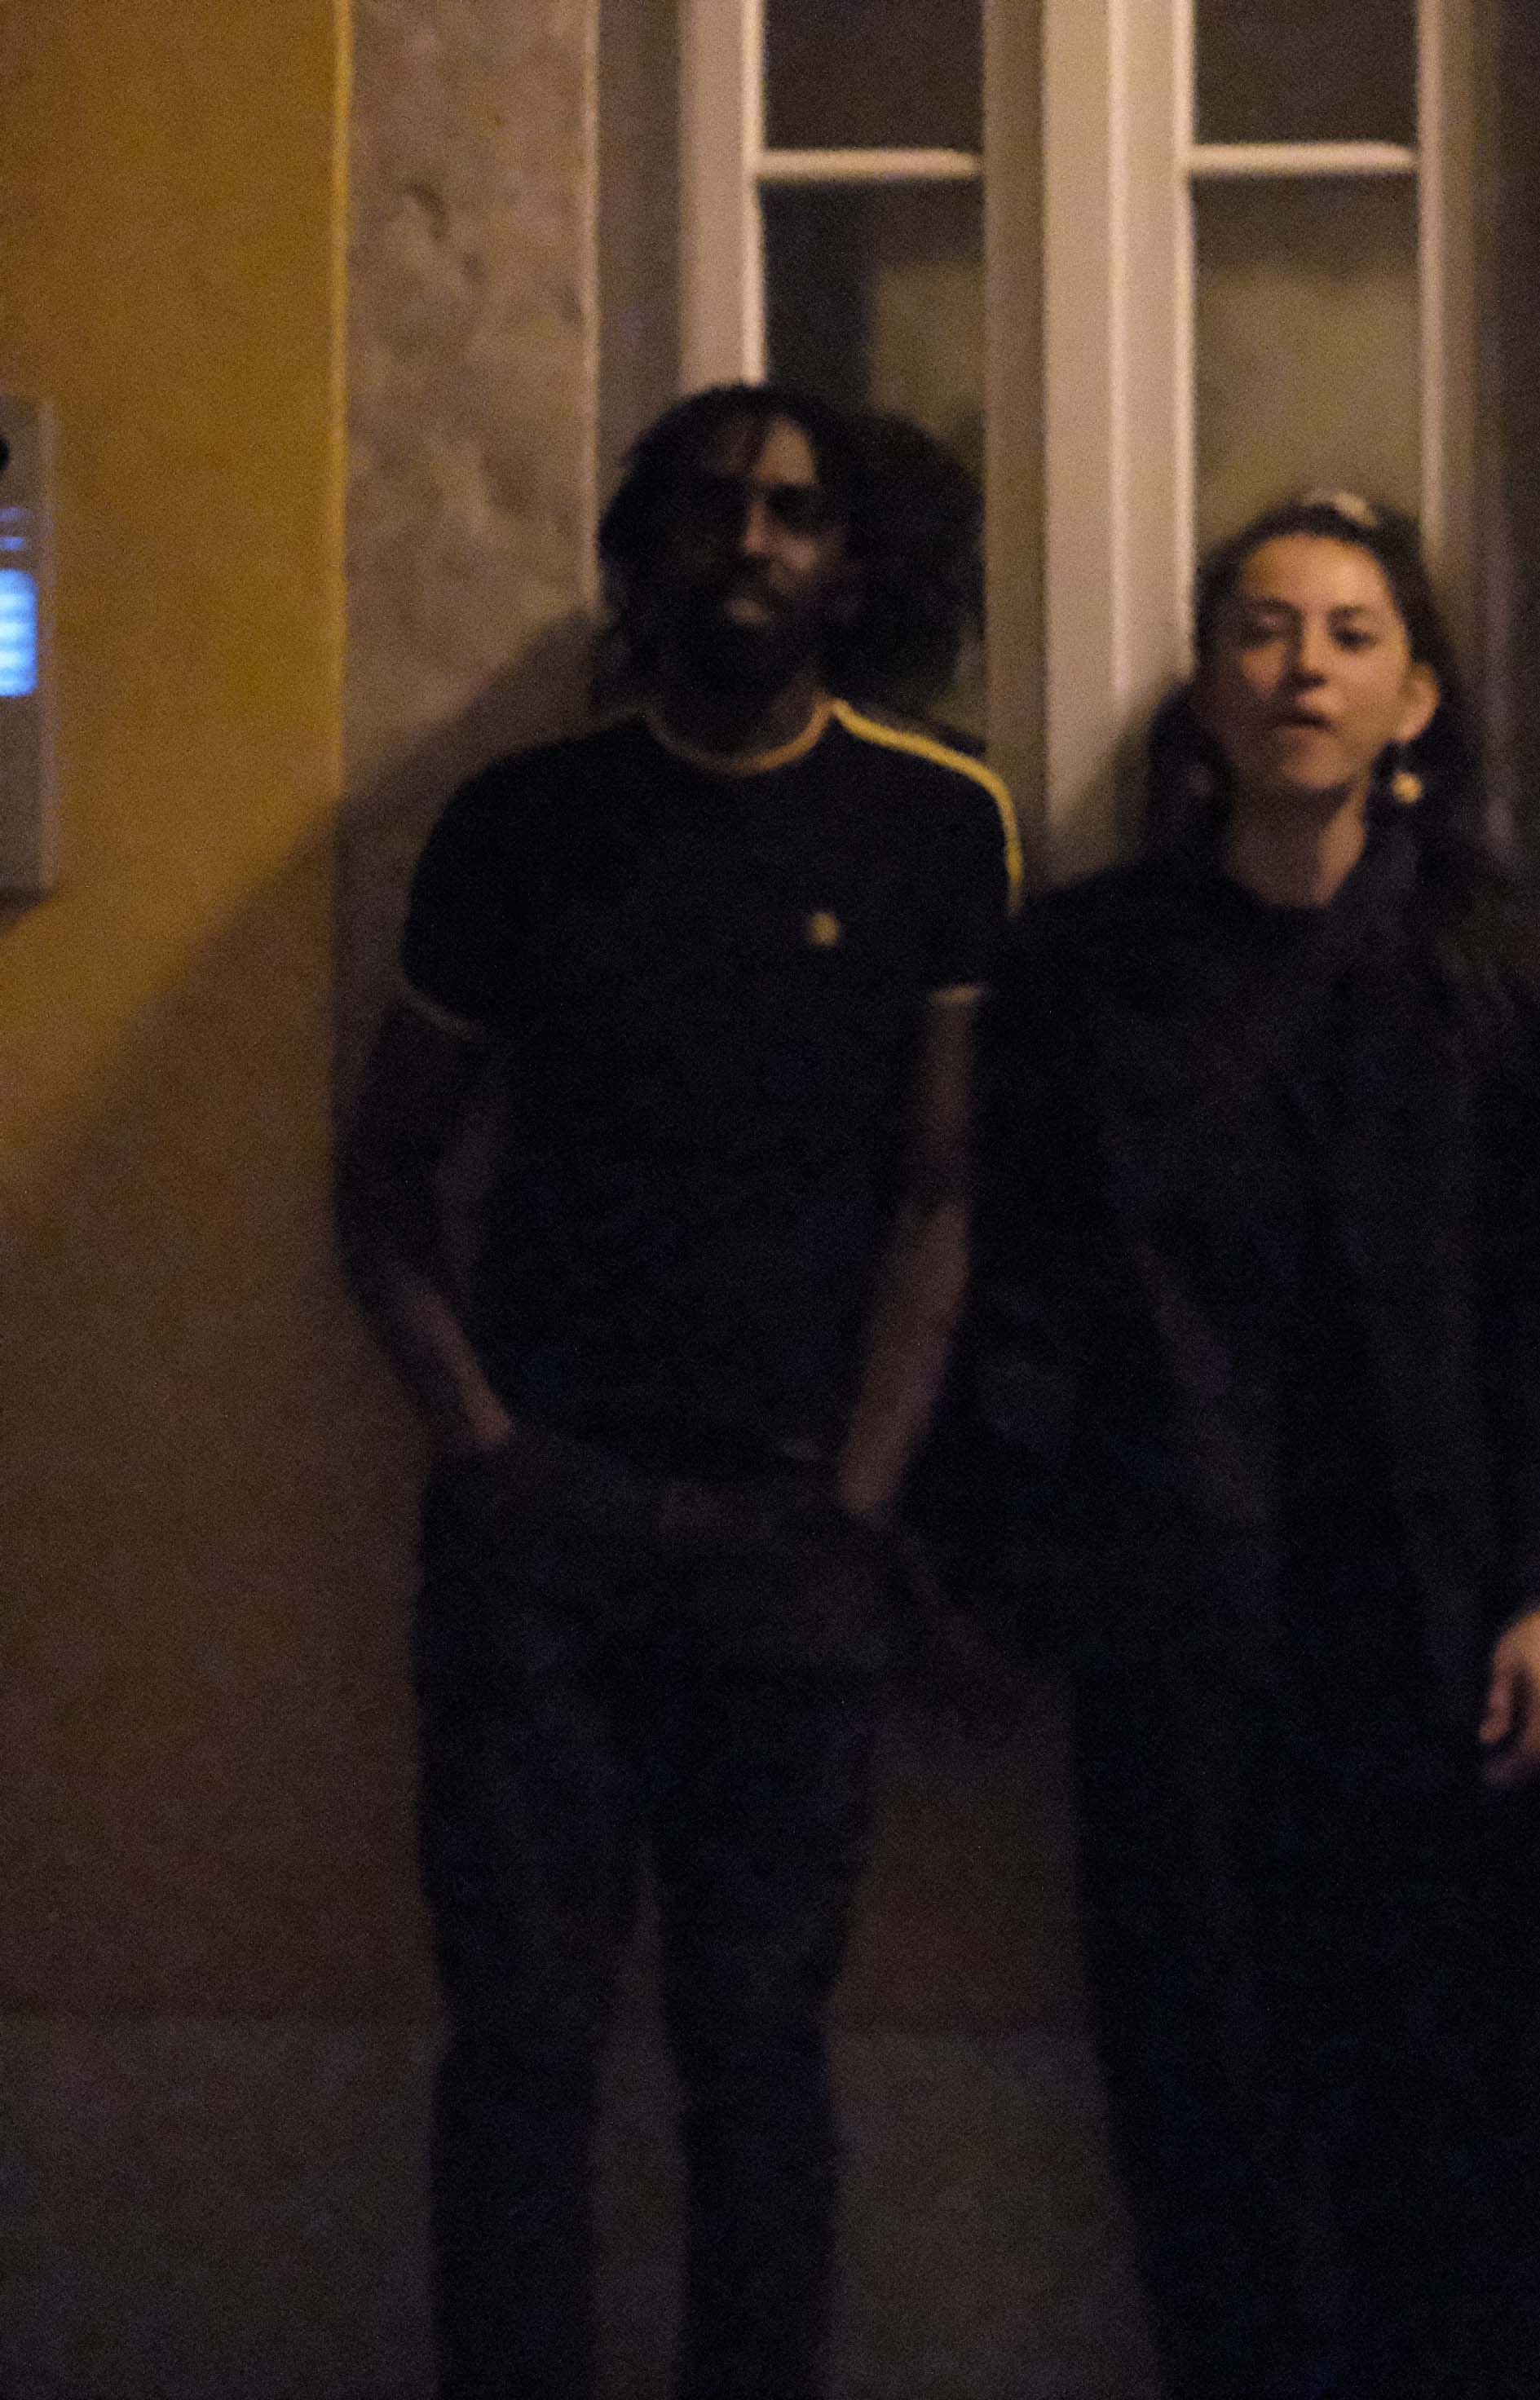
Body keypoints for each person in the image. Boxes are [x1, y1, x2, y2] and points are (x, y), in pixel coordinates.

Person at [336, 382, 1019, 2399]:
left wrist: (864, 1497)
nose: (754, 542)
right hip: (543, 1534)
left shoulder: (934, 820)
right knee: (521, 2047)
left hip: (796, 1531)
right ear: (645, 547)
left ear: (851, 560)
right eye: (714, 505)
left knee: (760, 2051)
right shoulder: (521, 824)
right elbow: (381, 1181)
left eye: (796, 511)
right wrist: (484, 1447)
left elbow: (945, 1191)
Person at [955, 490, 1540, 2398]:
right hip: (1175, 1610)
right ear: (1206, 682)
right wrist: (1011, 1563)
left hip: (1431, 1617)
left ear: (1418, 698)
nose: (1305, 667)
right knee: (1206, 2096)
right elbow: (1022, 1275)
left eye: (1351, 633)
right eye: (1262, 627)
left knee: (1452, 2105)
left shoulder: (1496, 956)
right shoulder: (1084, 964)